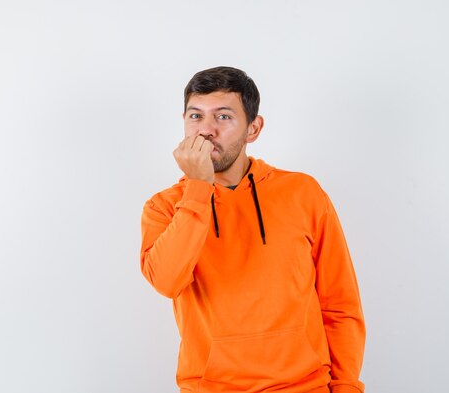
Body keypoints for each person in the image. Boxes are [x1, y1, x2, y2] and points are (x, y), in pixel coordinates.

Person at [140, 66, 366, 393]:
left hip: (305, 386)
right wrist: (199, 189)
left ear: (253, 128)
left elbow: (340, 303)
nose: (205, 131)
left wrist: (346, 388)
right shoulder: (164, 207)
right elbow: (166, 280)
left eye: (223, 117)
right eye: (195, 117)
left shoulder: (302, 193)